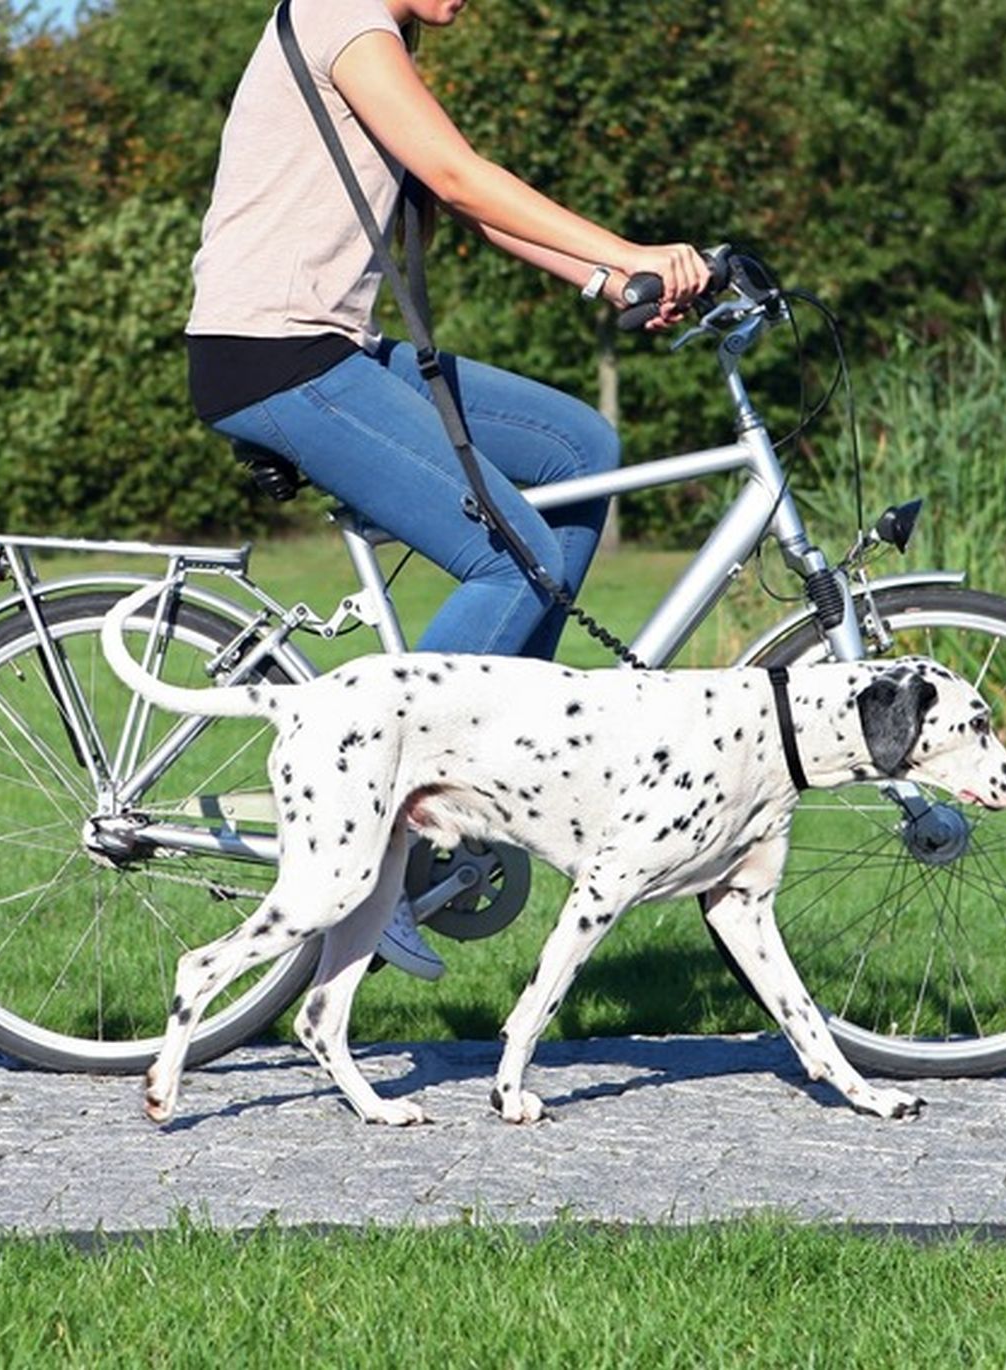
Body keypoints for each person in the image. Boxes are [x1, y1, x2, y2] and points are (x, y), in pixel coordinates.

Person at [185, 0, 711, 979]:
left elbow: (467, 204)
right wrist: (628, 250)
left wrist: (608, 282)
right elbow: (461, 173)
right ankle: (376, 843)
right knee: (513, 560)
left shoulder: (370, 29)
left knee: (578, 447)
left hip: (326, 349)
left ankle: (496, 752)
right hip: (272, 359)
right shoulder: (343, 14)